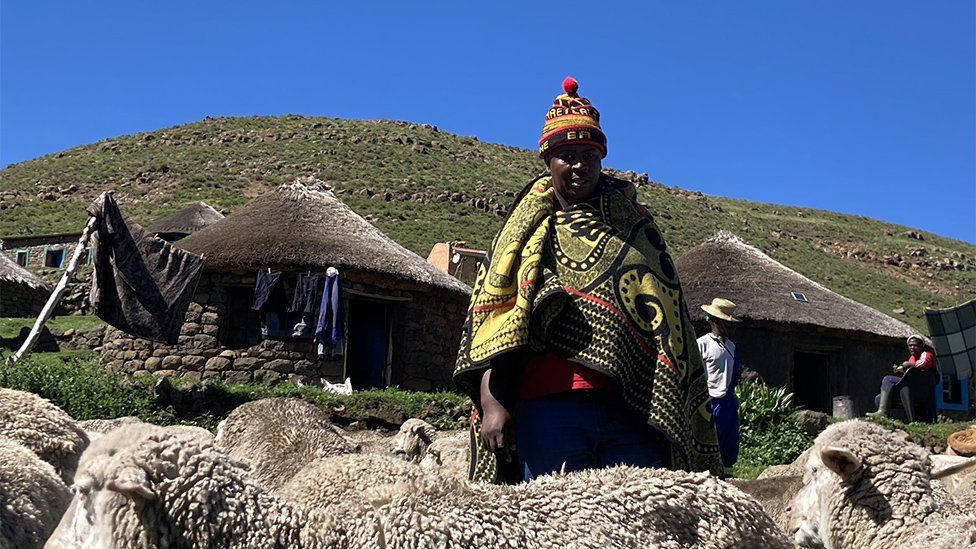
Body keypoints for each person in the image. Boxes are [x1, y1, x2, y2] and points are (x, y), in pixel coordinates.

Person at [453, 77, 721, 483]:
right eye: (566, 155)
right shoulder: (520, 236)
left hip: (632, 413)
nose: (579, 165)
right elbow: (493, 323)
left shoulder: (637, 231)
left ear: (601, 159)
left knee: (640, 528)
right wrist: (492, 403)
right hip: (547, 411)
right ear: (548, 161)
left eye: (589, 154)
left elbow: (670, 322)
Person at [696, 298, 742, 478]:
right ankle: (707, 475)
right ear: (714, 321)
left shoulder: (731, 346)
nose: (727, 326)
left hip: (728, 402)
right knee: (711, 441)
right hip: (710, 401)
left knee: (729, 442)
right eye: (724, 322)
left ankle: (727, 476)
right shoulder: (702, 344)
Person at [868, 334, 939, 418]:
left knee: (888, 379)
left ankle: (883, 412)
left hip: (921, 390)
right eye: (910, 345)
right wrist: (902, 369)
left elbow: (923, 364)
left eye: (916, 345)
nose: (912, 347)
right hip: (911, 388)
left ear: (922, 346)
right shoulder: (912, 358)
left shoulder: (926, 354)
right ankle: (884, 416)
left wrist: (909, 364)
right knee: (878, 398)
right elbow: (909, 374)